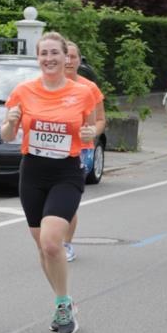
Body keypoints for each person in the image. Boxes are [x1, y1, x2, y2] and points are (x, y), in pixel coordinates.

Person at [1, 32, 97, 333]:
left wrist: (86, 131)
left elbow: (90, 131)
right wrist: (11, 121)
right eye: (44, 54)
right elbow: (6, 135)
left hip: (66, 173)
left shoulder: (82, 93)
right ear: (38, 57)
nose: (50, 59)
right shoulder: (22, 91)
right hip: (32, 173)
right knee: (44, 249)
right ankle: (63, 301)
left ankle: (63, 306)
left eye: (56, 53)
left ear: (66, 56)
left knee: (53, 242)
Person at [61, 40, 106, 262]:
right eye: (65, 56)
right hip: (52, 150)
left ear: (79, 60)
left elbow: (100, 121)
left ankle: (66, 244)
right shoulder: (47, 85)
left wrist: (92, 132)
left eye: (73, 56)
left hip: (81, 151)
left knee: (67, 199)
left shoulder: (90, 88)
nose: (69, 61)